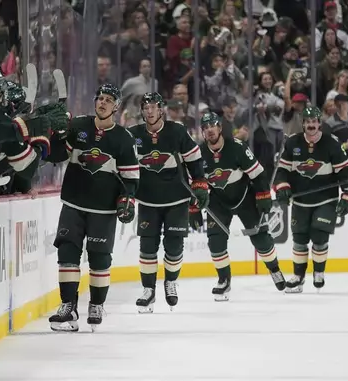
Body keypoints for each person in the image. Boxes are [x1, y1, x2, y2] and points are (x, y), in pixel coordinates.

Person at [45, 83, 139, 332]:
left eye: (109, 99)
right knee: (66, 254)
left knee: (99, 259)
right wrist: (58, 135)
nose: (103, 102)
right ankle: (68, 305)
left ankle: (96, 304)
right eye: (100, 98)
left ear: (117, 106)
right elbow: (55, 156)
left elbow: (131, 179)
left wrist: (127, 200)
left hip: (104, 209)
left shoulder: (123, 139)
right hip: (74, 203)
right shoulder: (78, 127)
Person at [190, 112, 286, 301]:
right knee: (215, 242)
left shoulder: (237, 147)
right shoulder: (198, 154)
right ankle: (224, 280)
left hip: (245, 197)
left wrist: (264, 195)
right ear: (203, 132)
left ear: (220, 128)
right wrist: (193, 208)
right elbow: (195, 184)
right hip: (218, 201)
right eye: (205, 127)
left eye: (213, 125)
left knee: (261, 239)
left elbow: (258, 174)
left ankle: (274, 269)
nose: (209, 130)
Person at [127, 92, 208, 313]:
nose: (150, 111)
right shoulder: (133, 135)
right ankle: (148, 290)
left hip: (177, 199)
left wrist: (200, 185)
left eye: (154, 106)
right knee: (147, 247)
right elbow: (123, 166)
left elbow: (194, 161)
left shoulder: (177, 131)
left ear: (161, 109)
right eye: (146, 107)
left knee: (174, 246)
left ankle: (170, 282)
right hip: (147, 200)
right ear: (142, 111)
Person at [274, 106, 348, 294]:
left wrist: (347, 194)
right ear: (303, 123)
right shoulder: (292, 143)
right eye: (308, 122)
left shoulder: (331, 143)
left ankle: (319, 272)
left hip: (325, 200)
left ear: (319, 123)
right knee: (299, 240)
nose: (311, 125)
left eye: (314, 121)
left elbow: (344, 172)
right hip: (301, 200)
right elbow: (282, 171)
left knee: (319, 237)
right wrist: (283, 187)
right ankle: (298, 278)